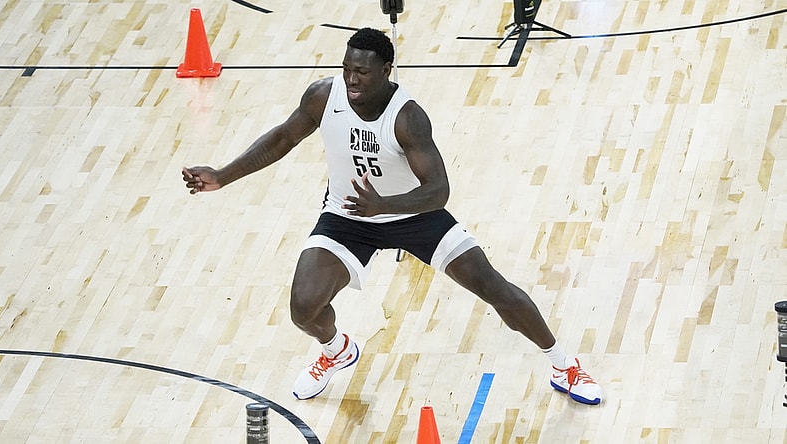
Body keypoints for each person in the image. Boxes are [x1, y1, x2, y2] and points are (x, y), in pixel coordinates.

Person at [182, 27, 603, 405]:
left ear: (386, 70)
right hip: (348, 217)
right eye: (346, 68)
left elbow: (439, 191)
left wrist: (386, 206)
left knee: (497, 291)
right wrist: (223, 175)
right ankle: (336, 351)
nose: (351, 79)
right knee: (303, 308)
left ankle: (563, 364)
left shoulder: (407, 117)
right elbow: (282, 138)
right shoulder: (322, 97)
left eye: (361, 72)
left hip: (412, 215)